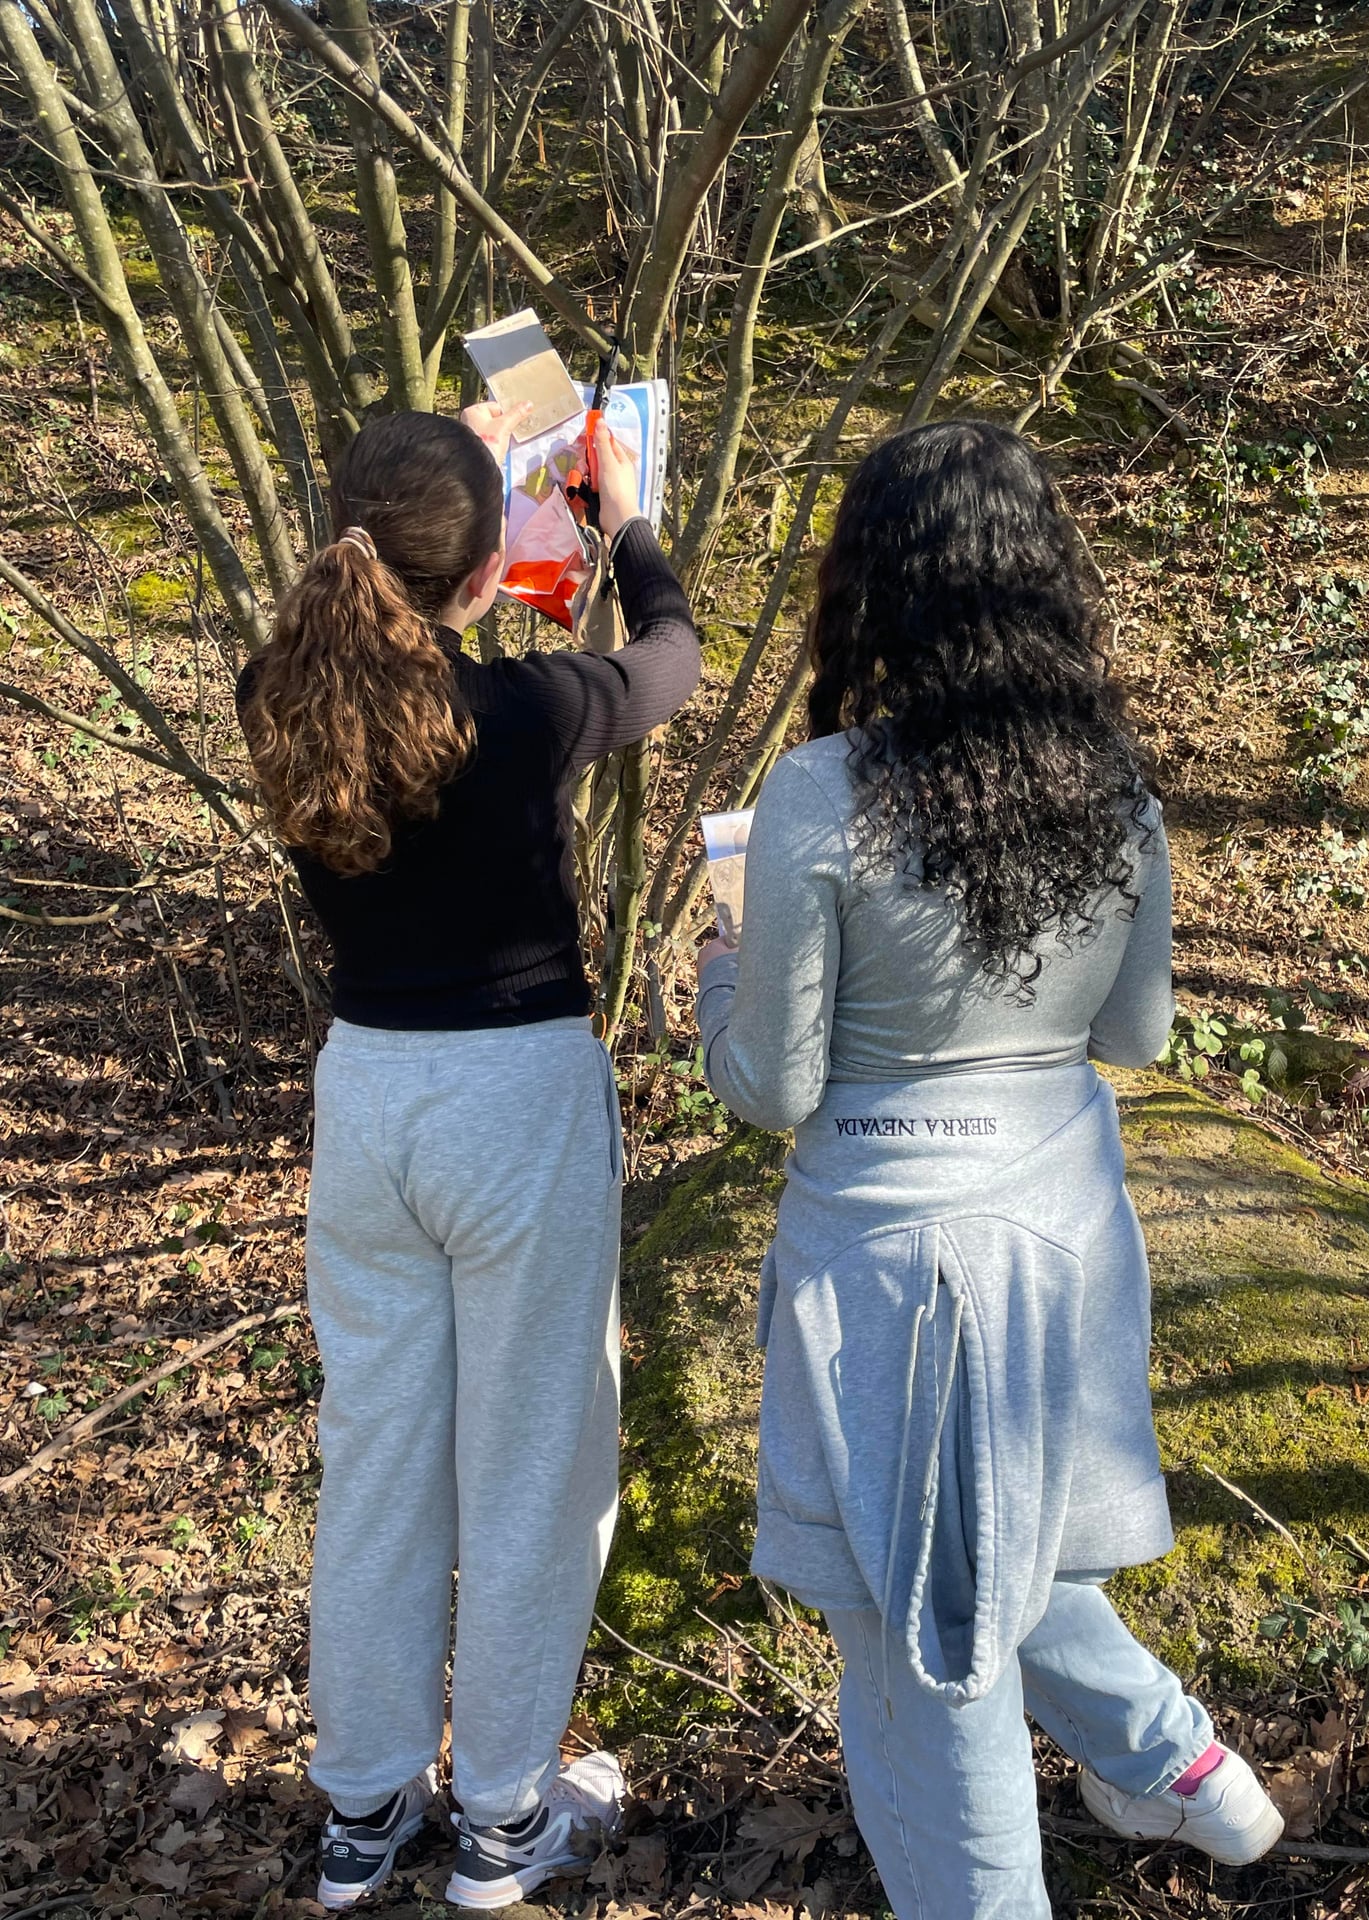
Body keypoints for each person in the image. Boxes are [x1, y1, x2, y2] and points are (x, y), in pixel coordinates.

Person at [693, 421, 1283, 1919]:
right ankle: (1181, 1768)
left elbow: (774, 1088)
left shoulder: (823, 794)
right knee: (979, 1551)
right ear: (1044, 583)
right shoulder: (1116, 788)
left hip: (890, 1264)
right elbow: (1137, 1034)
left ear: (869, 588)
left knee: (921, 1651)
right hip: (1066, 1235)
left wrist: (709, 973)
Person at [237, 404, 701, 1911]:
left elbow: (384, 592)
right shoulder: (527, 713)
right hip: (515, 1102)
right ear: (495, 571)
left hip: (369, 1102)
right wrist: (618, 521)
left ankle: (365, 1807)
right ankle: (505, 1815)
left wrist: (471, 484)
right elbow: (674, 664)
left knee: (377, 1459)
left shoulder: (278, 695)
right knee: (530, 1464)